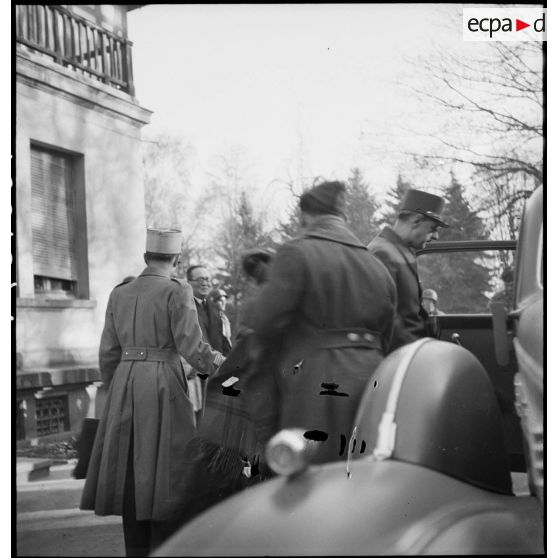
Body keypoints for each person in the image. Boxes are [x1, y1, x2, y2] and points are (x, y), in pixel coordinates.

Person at [80, 229, 225, 557]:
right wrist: (226, 366)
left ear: (146, 258)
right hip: (163, 385)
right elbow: (192, 347)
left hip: (125, 383)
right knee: (168, 470)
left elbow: (108, 353)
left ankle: (136, 550)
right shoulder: (178, 290)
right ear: (175, 260)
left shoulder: (120, 293)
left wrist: (115, 388)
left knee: (131, 470)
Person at [242, 180, 396, 464]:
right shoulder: (376, 265)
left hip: (316, 384)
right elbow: (388, 332)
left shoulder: (297, 252)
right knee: (363, 473)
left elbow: (264, 320)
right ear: (341, 217)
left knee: (310, 479)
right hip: (373, 377)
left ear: (305, 216)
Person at [368, 189, 448, 350]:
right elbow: (384, 318)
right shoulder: (382, 253)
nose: (435, 236)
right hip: (398, 355)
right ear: (417, 221)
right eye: (433, 228)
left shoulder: (399, 251)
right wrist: (417, 351)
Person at [209, 288, 233, 354]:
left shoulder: (224, 317)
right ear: (213, 302)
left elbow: (227, 339)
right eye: (220, 300)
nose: (223, 302)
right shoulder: (214, 319)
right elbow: (216, 342)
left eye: (224, 300)